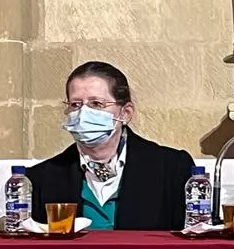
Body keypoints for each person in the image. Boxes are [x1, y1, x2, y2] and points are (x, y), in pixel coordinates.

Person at [26, 61, 195, 230]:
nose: (83, 113)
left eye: (96, 104)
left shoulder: (172, 168)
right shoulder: (41, 178)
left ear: (125, 113)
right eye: (75, 104)